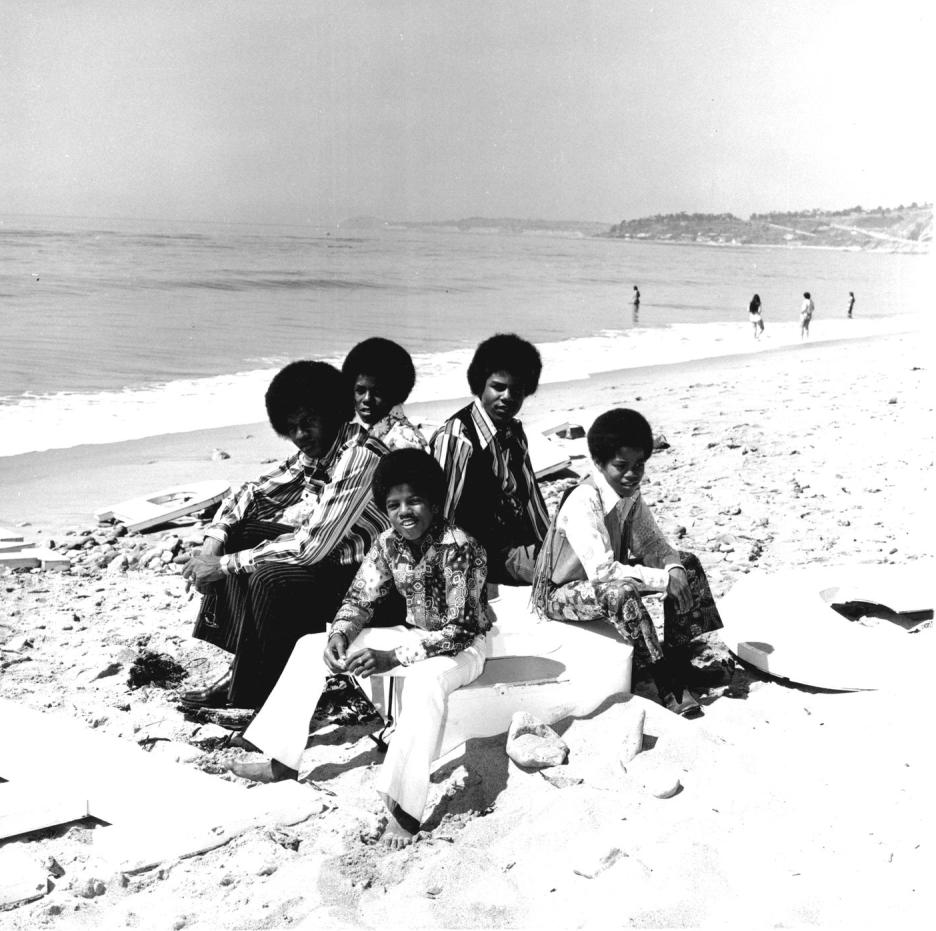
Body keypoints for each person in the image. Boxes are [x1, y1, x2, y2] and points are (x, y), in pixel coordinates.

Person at [228, 449, 492, 848]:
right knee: (309, 647)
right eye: (394, 504)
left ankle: (404, 810)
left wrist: (392, 657)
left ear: (435, 502)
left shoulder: (462, 548)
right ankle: (282, 760)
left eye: (415, 501)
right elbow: (360, 598)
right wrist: (340, 633)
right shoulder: (388, 542)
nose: (405, 512)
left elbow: (461, 628)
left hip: (463, 650)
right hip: (414, 634)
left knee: (424, 684)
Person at [179, 361, 396, 709]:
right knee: (241, 533)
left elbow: (311, 548)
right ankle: (242, 670)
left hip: (374, 588)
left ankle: (256, 700)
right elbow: (254, 492)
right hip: (338, 565)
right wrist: (212, 546)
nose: (299, 435)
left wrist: (223, 565)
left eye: (308, 423)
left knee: (266, 575)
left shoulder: (360, 456)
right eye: (291, 427)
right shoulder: (322, 450)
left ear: (331, 412)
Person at [531, 408, 724, 717]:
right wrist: (662, 580)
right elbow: (604, 573)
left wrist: (673, 569)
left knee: (686, 565)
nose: (632, 474)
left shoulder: (630, 493)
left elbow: (652, 543)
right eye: (622, 466)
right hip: (561, 594)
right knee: (620, 591)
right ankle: (665, 682)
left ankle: (680, 662)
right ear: (598, 462)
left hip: (603, 580)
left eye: (639, 465)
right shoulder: (584, 498)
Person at [431, 333, 550, 585]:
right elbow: (441, 517)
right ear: (480, 385)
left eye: (516, 390)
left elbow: (532, 501)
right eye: (498, 387)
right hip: (482, 560)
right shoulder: (456, 439)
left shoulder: (514, 433)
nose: (507, 396)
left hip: (519, 548)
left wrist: (550, 546)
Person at [342, 337, 428, 451]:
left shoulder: (403, 442)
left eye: (377, 392)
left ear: (395, 393)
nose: (367, 399)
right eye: (360, 391)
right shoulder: (373, 433)